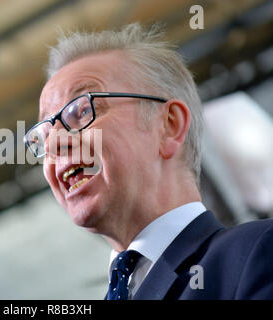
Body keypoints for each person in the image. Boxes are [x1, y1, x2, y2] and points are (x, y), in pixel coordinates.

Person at [24, 23, 273, 299]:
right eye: (44, 134)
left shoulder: (256, 254)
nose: (54, 144)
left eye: (82, 110)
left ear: (169, 125)